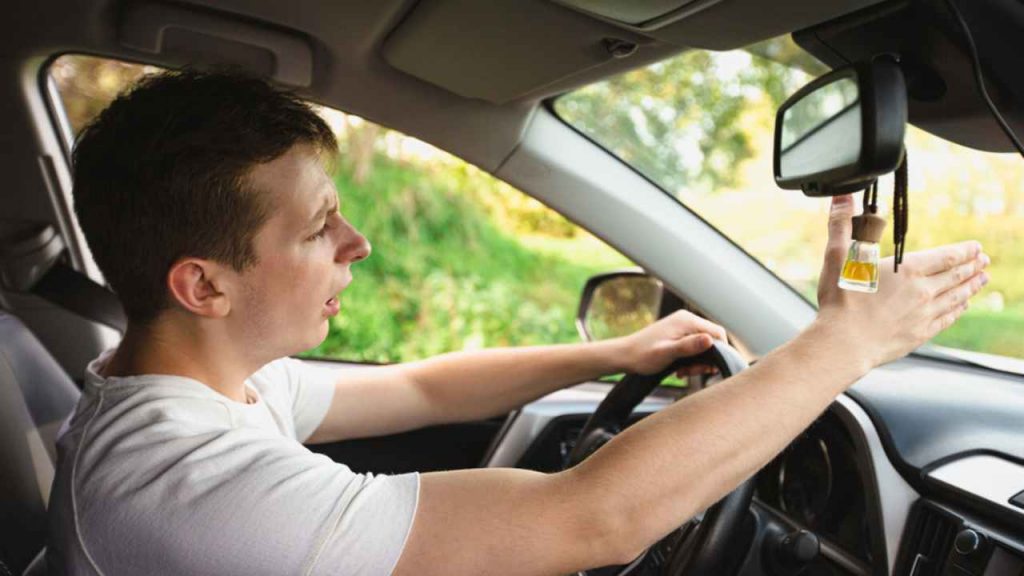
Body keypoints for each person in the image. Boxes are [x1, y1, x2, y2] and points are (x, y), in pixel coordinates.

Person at [48, 69, 990, 576]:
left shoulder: (203, 386)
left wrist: (621, 351)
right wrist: (846, 343)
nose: (358, 242)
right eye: (318, 225)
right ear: (204, 287)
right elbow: (595, 519)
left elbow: (422, 386)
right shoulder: (186, 485)